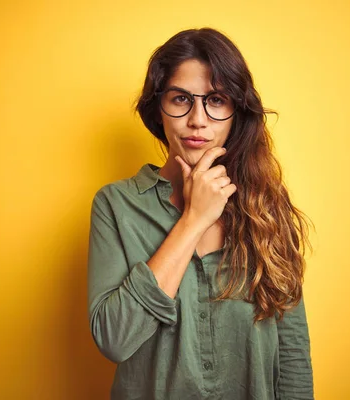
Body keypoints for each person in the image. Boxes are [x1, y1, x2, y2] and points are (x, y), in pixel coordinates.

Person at [87, 27, 314, 400]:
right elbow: (114, 339)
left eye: (217, 100)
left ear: (236, 113)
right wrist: (194, 219)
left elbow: (292, 357)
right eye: (181, 99)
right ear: (157, 109)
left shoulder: (267, 209)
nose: (198, 120)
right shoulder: (115, 205)